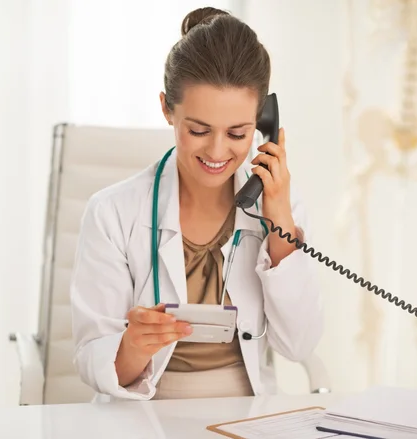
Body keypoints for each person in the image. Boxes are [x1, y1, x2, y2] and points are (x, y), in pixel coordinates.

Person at [70, 6, 323, 402]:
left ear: (262, 123)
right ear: (167, 109)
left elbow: (298, 346)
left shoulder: (278, 211)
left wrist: (281, 233)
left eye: (238, 133)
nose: (218, 151)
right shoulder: (112, 213)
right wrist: (133, 347)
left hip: (248, 415)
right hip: (145, 416)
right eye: (199, 130)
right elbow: (92, 359)